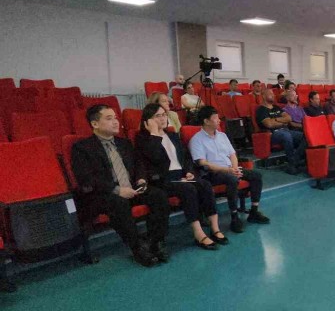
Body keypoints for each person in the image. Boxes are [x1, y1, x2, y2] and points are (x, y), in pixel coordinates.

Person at [72, 105, 170, 267]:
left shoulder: (124, 143)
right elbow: (87, 179)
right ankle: (137, 248)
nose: (115, 122)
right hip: (104, 194)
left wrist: (141, 179)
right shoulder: (82, 148)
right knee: (118, 202)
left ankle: (156, 241)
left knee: (158, 195)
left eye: (116, 118)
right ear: (95, 124)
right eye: (109, 118)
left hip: (131, 189)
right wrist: (117, 190)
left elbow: (138, 164)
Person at [134, 104, 225, 251]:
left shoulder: (172, 135)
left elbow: (186, 157)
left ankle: (215, 228)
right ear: (148, 121)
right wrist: (154, 134)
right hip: (162, 179)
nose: (163, 118)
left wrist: (189, 171)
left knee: (205, 185)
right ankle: (198, 232)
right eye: (158, 116)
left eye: (164, 114)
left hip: (180, 176)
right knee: (188, 189)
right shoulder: (143, 139)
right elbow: (154, 158)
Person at [189, 106, 269, 232]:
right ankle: (234, 217)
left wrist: (235, 168)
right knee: (232, 179)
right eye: (215, 118)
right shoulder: (196, 139)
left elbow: (232, 154)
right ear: (206, 121)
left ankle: (254, 211)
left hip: (230, 169)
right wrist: (228, 171)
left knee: (256, 176)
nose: (219, 120)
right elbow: (203, 163)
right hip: (212, 172)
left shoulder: (222, 136)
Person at [255, 89, 306, 175]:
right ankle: (291, 163)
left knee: (305, 136)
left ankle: (295, 160)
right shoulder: (261, 110)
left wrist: (275, 120)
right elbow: (269, 124)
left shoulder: (276, 107)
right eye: (270, 93)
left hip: (286, 130)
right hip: (272, 134)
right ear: (263, 96)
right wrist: (282, 122)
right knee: (286, 136)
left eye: (273, 93)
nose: (273, 95)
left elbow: (289, 118)